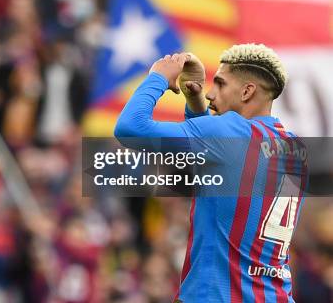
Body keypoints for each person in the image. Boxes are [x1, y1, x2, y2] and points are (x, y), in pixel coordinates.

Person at [114, 43, 306, 302]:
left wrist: (157, 77)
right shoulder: (296, 150)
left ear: (247, 91)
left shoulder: (231, 132)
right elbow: (216, 170)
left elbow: (129, 128)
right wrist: (194, 105)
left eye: (220, 84)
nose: (210, 94)